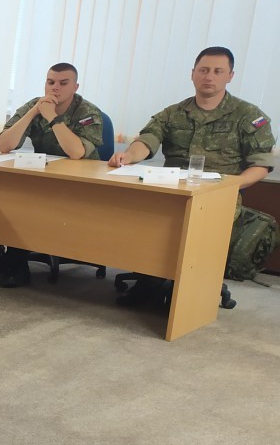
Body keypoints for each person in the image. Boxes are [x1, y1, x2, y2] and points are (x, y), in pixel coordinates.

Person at [108, 46, 276, 304]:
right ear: (193, 74)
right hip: (172, 191)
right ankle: (149, 281)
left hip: (218, 196)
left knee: (196, 231)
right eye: (203, 70)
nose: (209, 76)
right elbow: (148, 139)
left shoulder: (248, 116)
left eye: (218, 71)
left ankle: (188, 293)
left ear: (230, 76)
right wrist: (129, 155)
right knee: (141, 216)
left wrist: (233, 184)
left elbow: (261, 164)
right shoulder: (173, 113)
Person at [0, 63, 105, 287]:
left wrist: (52, 117)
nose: (55, 88)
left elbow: (77, 152)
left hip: (81, 185)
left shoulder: (87, 112)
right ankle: (10, 261)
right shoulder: (36, 105)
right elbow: (4, 145)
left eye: (63, 83)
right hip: (46, 179)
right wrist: (34, 112)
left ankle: (13, 263)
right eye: (50, 82)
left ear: (75, 87)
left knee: (28, 203)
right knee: (6, 197)